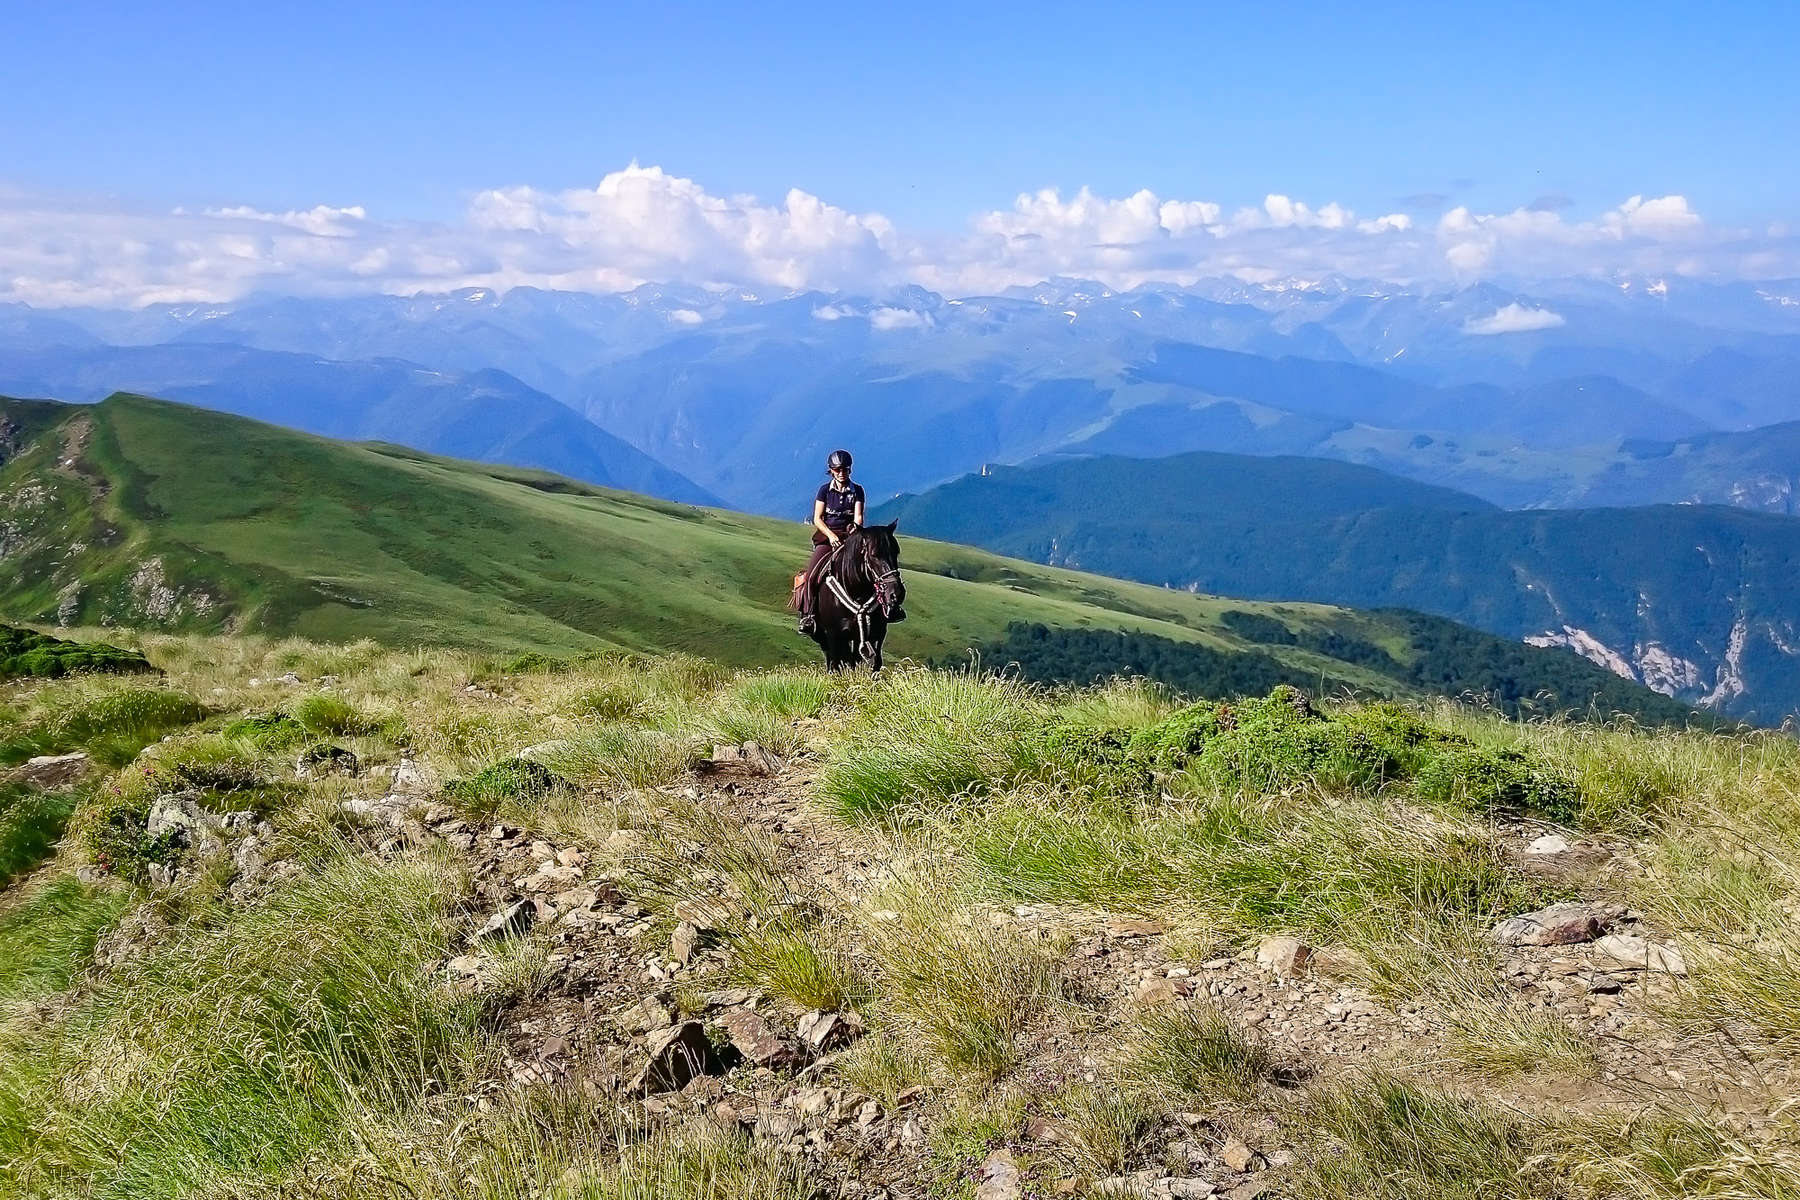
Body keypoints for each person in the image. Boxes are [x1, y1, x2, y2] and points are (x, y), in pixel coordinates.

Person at [796, 449, 864, 634]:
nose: (842, 473)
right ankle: (808, 615)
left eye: (845, 469)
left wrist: (852, 534)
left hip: (850, 538)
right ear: (831, 470)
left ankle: (887, 608)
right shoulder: (824, 491)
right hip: (827, 538)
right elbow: (818, 518)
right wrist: (832, 536)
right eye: (838, 469)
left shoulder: (857, 491)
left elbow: (858, 517)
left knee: (872, 568)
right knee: (811, 576)